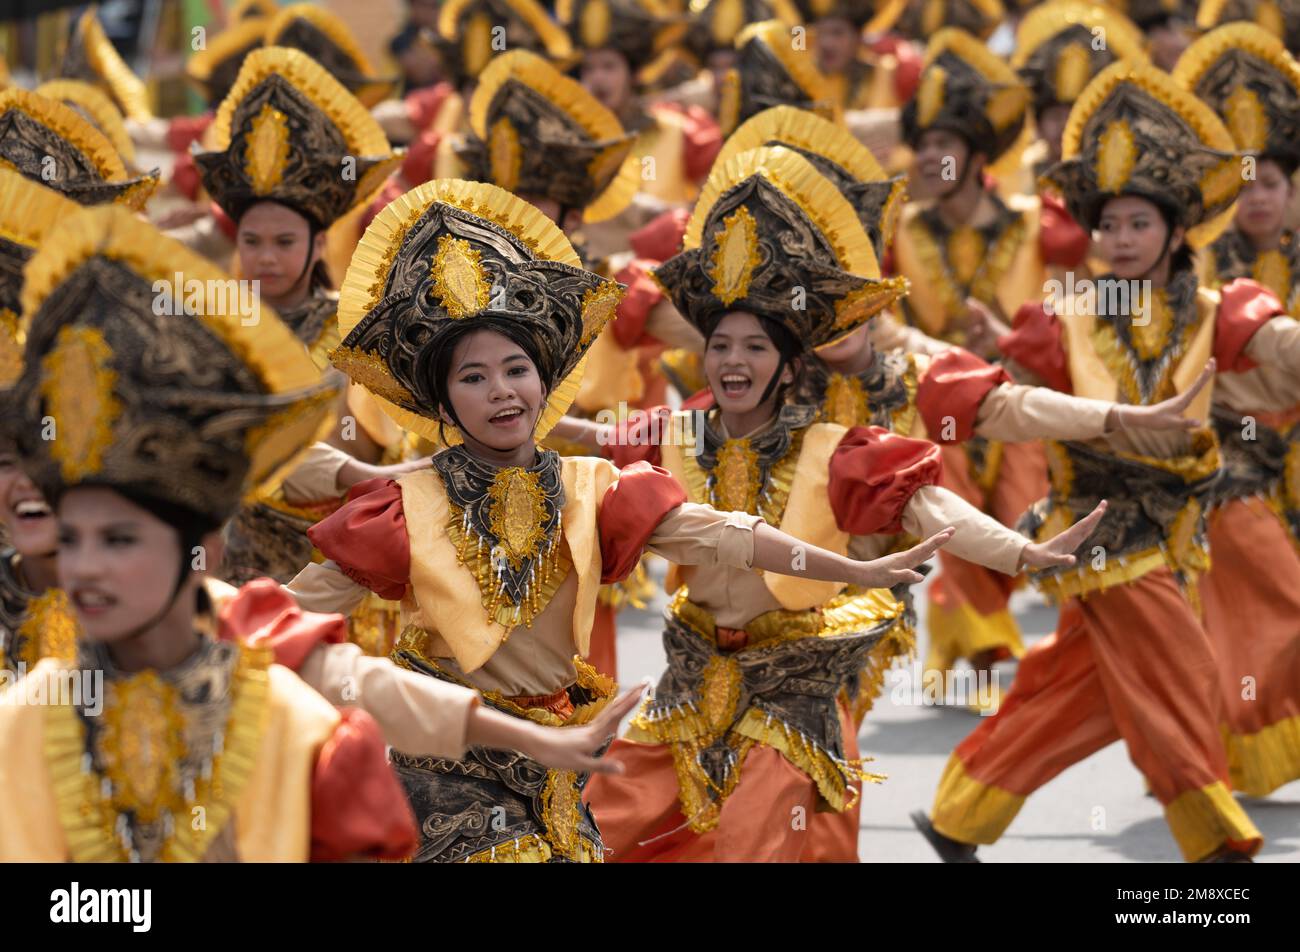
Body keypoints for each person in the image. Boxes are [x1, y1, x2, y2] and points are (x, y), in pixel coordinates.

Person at [288, 176, 950, 862]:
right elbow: (295, 609)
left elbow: (726, 535)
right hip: (446, 769)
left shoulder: (593, 488)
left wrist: (858, 567)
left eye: (515, 368)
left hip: (554, 758)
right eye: (472, 378)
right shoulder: (406, 505)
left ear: (544, 381)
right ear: (445, 405)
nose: (500, 392)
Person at [578, 145, 1112, 862]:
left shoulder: (870, 412)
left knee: (776, 807)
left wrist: (1030, 538)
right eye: (722, 348)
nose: (736, 360)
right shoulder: (685, 430)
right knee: (639, 822)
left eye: (758, 349)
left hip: (826, 642)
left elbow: (944, 489)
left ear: (792, 357)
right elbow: (587, 448)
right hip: (699, 662)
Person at [913, 60, 1300, 863]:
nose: (1120, 240)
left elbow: (1281, 350)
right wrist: (943, 355)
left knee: (1080, 692)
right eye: (1109, 225)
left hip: (1178, 533)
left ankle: (962, 812)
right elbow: (1007, 396)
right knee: (1183, 669)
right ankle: (1215, 840)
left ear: (1174, 230)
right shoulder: (1065, 319)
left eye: (1138, 224)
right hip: (1098, 534)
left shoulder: (1215, 311)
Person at [1172, 21, 1300, 796]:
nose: (1258, 198)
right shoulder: (1197, 270)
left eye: (1273, 185)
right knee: (1276, 602)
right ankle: (1232, 760)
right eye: (1243, 186)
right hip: (1235, 459)